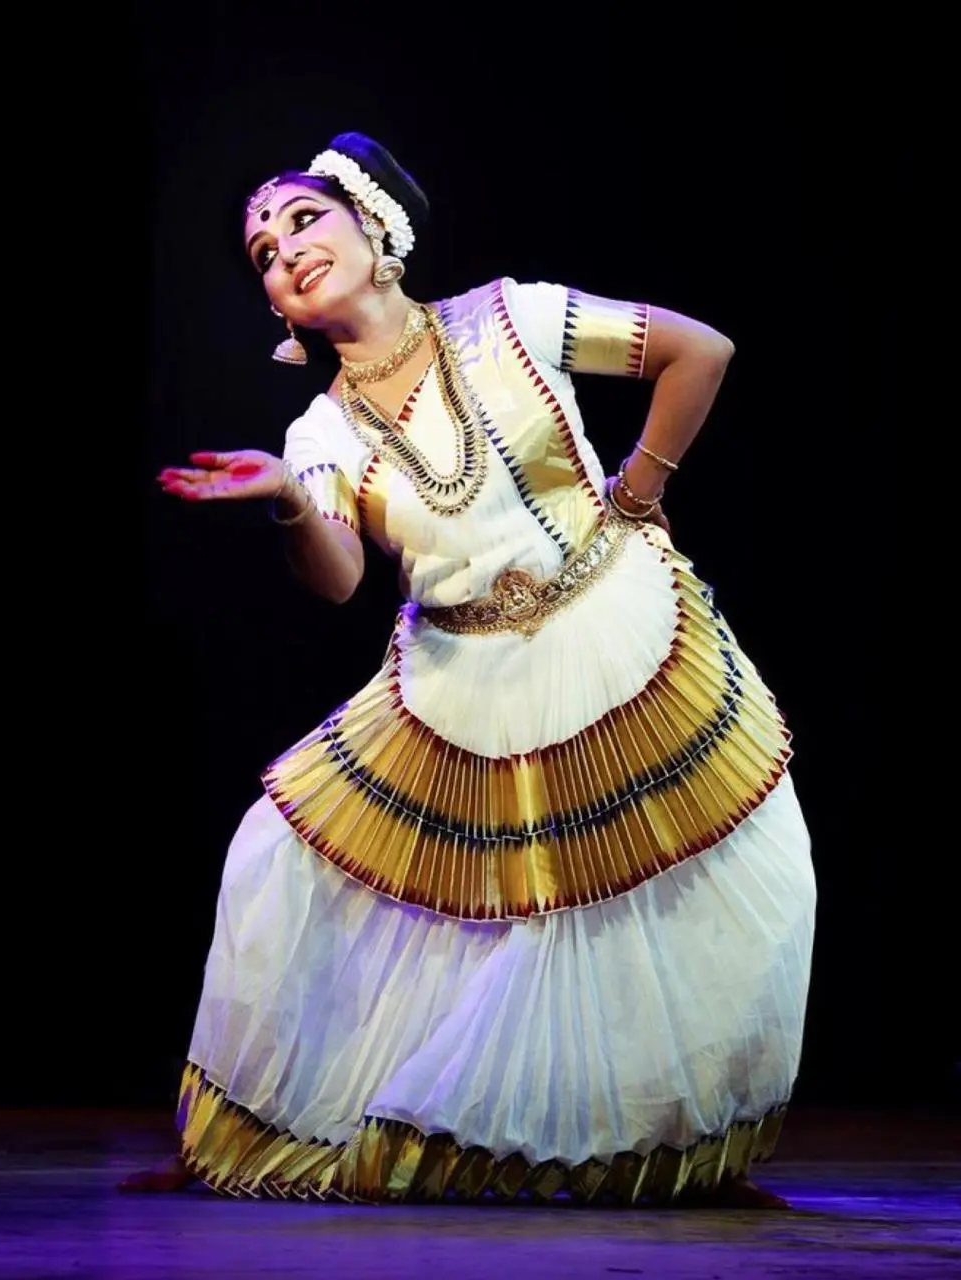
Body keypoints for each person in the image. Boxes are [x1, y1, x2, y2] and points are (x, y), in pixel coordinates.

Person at [122, 131, 816, 1207]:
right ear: (274, 306)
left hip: (609, 631)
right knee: (284, 854)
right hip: (459, 674)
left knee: (624, 900)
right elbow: (340, 574)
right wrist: (288, 499)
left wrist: (637, 487)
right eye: (263, 249)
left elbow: (702, 350)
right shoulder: (322, 425)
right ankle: (455, 1129)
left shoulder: (514, 315)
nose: (285, 250)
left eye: (303, 219)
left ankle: (628, 1133)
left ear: (374, 230)